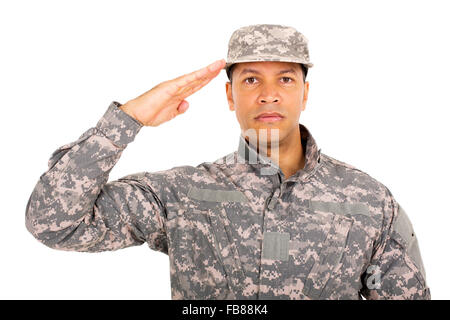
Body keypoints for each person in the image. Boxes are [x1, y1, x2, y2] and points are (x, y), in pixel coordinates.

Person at [25, 24, 430, 299]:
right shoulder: (183, 194)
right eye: (251, 79)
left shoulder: (369, 201)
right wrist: (127, 119)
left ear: (305, 93)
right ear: (230, 95)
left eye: (285, 79)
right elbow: (56, 224)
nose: (269, 95)